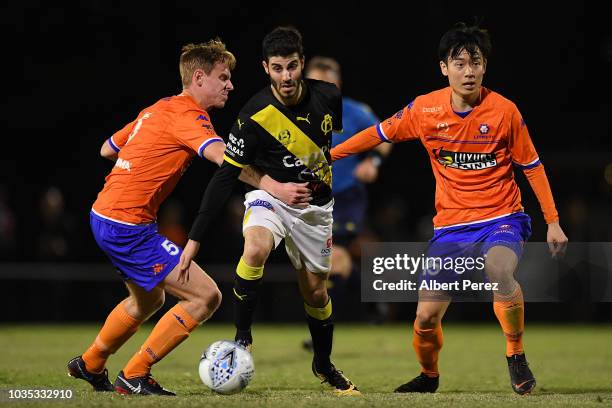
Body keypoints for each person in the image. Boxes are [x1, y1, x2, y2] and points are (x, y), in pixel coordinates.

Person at [331, 22, 568, 395]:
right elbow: (378, 133)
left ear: (485, 66)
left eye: (475, 63)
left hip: (502, 219)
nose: (468, 71)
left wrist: (553, 222)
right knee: (425, 317)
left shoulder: (505, 111)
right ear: (444, 68)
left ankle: (515, 353)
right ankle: (429, 376)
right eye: (459, 63)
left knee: (499, 269)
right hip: (452, 229)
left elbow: (532, 167)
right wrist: (329, 154)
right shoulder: (425, 110)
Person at [66, 40, 308, 396]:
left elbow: (108, 148)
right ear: (199, 77)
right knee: (205, 296)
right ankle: (134, 374)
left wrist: (141, 165)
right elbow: (223, 158)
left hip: (106, 215)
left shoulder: (160, 108)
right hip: (127, 226)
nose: (230, 85)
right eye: (223, 77)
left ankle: (90, 363)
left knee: (147, 301)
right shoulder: (189, 115)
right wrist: (272, 184)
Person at [179, 27, 360, 396]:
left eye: (292, 66)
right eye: (277, 68)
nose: (286, 76)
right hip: (271, 201)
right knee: (255, 248)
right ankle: (242, 338)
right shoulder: (253, 115)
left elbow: (326, 148)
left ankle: (323, 364)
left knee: (315, 294)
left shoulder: (329, 96)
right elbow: (226, 176)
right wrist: (195, 237)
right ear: (266, 68)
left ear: (302, 64)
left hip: (315, 211)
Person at [303, 57, 391, 339]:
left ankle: (323, 327)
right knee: (326, 262)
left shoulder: (355, 112)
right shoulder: (296, 115)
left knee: (333, 255)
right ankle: (373, 299)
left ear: (337, 84)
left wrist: (373, 163)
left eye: (325, 84)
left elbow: (385, 138)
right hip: (312, 198)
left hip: (347, 196)